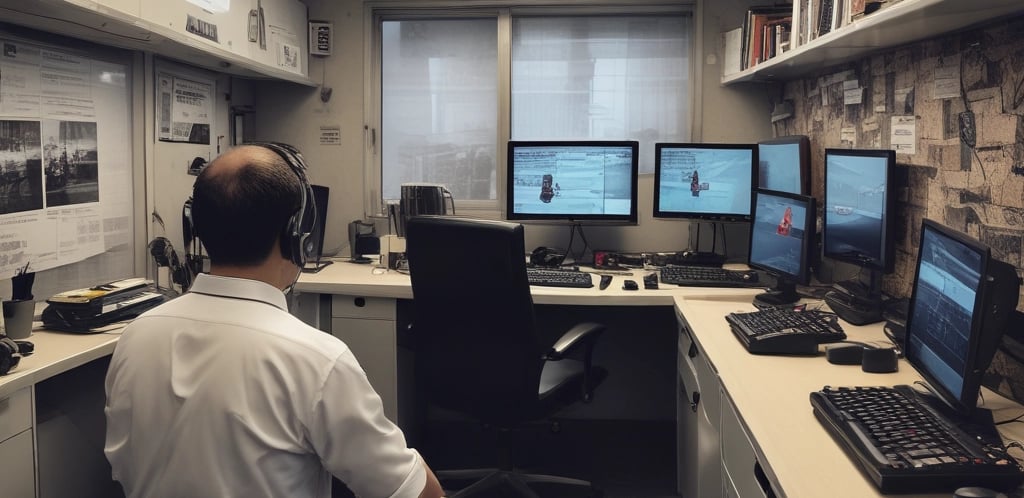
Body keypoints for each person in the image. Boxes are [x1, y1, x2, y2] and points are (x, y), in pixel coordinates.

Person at [104, 144, 445, 498]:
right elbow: (414, 493)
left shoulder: (136, 336)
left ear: (198, 228)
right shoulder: (316, 359)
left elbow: (122, 467)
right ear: (296, 234)